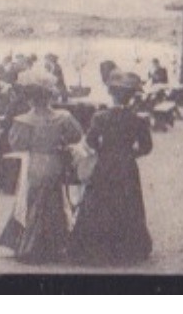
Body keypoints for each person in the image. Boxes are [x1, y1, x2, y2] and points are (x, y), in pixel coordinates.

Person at [0, 66, 84, 265]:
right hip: (54, 162)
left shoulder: (24, 120)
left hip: (35, 162)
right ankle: (54, 244)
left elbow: (16, 144)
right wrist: (59, 142)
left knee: (33, 200)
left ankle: (31, 245)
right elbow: (76, 135)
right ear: (50, 96)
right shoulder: (63, 117)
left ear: (30, 99)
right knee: (54, 201)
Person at [70, 71, 154, 266]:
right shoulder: (138, 120)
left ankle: (97, 247)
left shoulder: (100, 117)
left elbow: (90, 142)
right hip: (127, 166)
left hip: (105, 165)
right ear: (132, 97)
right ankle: (127, 248)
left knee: (99, 202)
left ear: (111, 94)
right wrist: (131, 154)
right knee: (128, 203)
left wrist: (104, 151)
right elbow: (147, 147)